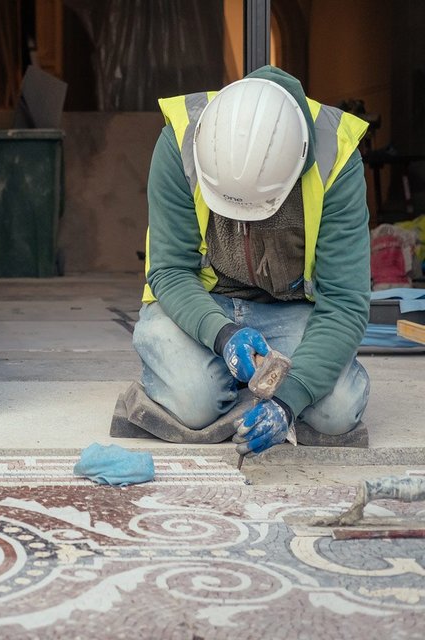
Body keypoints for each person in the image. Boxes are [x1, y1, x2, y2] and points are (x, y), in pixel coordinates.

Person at [132, 65, 371, 458]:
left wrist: (287, 402)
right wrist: (221, 335)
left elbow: (344, 303)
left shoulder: (337, 158)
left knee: (336, 411)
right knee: (194, 402)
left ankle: (260, 389)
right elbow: (170, 270)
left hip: (289, 310)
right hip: (202, 301)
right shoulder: (181, 140)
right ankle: (205, 376)